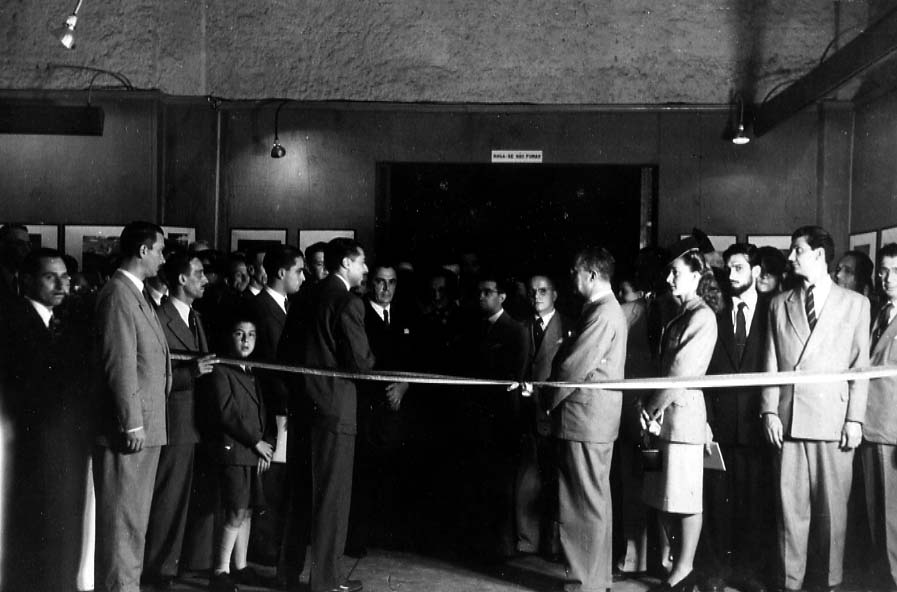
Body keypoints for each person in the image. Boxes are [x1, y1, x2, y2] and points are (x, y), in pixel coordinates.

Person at [761, 225, 870, 592]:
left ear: (819, 255)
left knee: (832, 513)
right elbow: (771, 362)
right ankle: (791, 583)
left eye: (797, 251)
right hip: (789, 422)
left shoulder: (855, 304)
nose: (790, 258)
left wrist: (855, 418)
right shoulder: (779, 303)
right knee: (790, 513)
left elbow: (861, 368)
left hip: (833, 422)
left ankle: (828, 583)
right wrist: (769, 411)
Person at [2, 248, 92, 591]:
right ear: (25, 281)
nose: (61, 284)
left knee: (61, 530)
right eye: (49, 277)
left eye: (65, 277)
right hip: (30, 448)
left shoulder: (64, 322)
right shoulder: (14, 321)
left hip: (61, 447)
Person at [93, 221, 172, 592]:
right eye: (159, 249)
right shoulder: (117, 295)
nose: (163, 256)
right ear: (143, 250)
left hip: (146, 426)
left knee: (133, 523)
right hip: (131, 431)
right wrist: (132, 424)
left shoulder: (135, 293)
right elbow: (119, 364)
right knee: (122, 524)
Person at [545, 246, 627, 592]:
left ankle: (583, 584)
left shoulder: (602, 313)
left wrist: (543, 398)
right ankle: (597, 580)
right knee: (594, 502)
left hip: (585, 420)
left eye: (576, 272)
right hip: (593, 421)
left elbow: (571, 366)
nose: (572, 277)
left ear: (591, 275)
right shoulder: (602, 310)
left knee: (580, 506)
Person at [299, 238, 374, 592]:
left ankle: (289, 574)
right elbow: (360, 361)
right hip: (335, 409)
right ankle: (326, 582)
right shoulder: (348, 301)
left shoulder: (307, 294)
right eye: (362, 263)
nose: (366, 270)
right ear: (345, 263)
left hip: (306, 406)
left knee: (301, 494)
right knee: (332, 498)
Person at [642, 242, 717, 592]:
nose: (670, 278)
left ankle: (684, 568)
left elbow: (681, 372)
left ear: (697, 275)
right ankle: (669, 561)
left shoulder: (702, 316)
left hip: (682, 419)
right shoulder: (678, 313)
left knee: (685, 498)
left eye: (677, 272)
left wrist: (650, 408)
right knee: (660, 494)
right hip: (661, 421)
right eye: (669, 272)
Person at [702, 243, 773, 592]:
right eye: (728, 268)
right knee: (717, 502)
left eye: (739, 268)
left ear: (757, 272)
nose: (731, 275)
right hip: (721, 428)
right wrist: (709, 423)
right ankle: (717, 571)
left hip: (758, 427)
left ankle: (751, 572)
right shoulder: (715, 319)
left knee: (755, 503)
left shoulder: (774, 315)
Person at [143, 251, 217, 588]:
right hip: (175, 420)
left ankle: (186, 563)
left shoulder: (196, 317)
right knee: (168, 499)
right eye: (199, 273)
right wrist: (191, 373)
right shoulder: (159, 317)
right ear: (181, 279)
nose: (205, 279)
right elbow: (149, 372)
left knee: (190, 497)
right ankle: (158, 569)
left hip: (196, 422)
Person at [346, 262, 414, 555]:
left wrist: (404, 385)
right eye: (380, 282)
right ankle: (359, 539)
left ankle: (388, 536)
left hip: (396, 407)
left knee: (393, 471)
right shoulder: (360, 313)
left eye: (392, 282)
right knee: (363, 473)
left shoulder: (403, 315)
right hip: (367, 405)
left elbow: (413, 358)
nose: (386, 289)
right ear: (370, 283)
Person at [205, 312, 275, 592]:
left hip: (250, 452)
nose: (246, 340)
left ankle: (241, 566)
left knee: (246, 511)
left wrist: (263, 445)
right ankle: (220, 571)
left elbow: (262, 413)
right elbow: (227, 414)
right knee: (235, 510)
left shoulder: (251, 370)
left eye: (252, 335)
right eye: (240, 334)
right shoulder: (223, 369)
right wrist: (255, 443)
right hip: (234, 450)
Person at [515, 274, 570, 558]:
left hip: (555, 414)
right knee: (527, 479)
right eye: (533, 291)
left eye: (543, 291)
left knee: (556, 482)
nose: (537, 296)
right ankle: (527, 541)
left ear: (555, 294)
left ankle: (554, 543)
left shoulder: (569, 327)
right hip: (526, 414)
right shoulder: (521, 327)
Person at [863, 242, 897, 590]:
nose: (888, 278)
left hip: (893, 433)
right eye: (884, 271)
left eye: (896, 272)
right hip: (871, 430)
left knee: (893, 523)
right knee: (876, 518)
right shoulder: (878, 312)